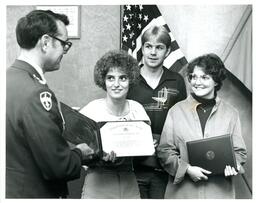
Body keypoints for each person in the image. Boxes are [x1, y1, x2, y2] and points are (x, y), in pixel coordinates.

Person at [6, 10, 94, 198]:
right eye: (65, 44)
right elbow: (59, 167)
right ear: (46, 42)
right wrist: (79, 153)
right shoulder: (37, 93)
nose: (65, 51)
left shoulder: (7, 79)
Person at [157, 53, 247, 198]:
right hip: (183, 194)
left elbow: (240, 153)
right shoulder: (175, 111)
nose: (197, 82)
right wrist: (186, 169)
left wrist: (233, 165)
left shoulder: (231, 114)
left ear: (216, 81)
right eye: (193, 76)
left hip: (219, 194)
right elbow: (164, 151)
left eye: (205, 77)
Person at [79, 50, 151, 199]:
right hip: (98, 183)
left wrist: (148, 145)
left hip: (129, 182)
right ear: (103, 81)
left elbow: (144, 150)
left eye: (122, 78)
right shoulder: (90, 110)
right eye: (110, 78)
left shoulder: (137, 109)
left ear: (130, 79)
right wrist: (98, 158)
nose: (116, 84)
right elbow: (77, 151)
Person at [127, 25, 187, 198]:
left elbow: (182, 121)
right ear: (142, 49)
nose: (153, 52)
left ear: (167, 51)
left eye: (159, 47)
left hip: (164, 165)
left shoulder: (176, 81)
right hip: (133, 165)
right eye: (148, 46)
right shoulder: (129, 80)